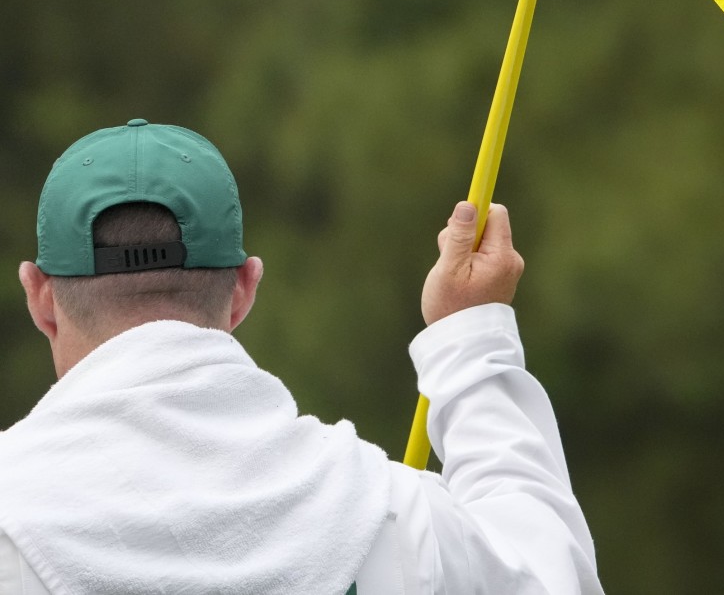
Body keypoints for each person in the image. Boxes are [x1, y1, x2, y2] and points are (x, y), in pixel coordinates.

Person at [0, 119, 603, 594]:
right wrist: (469, 336)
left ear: (39, 297)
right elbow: (552, 575)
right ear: (244, 288)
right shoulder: (389, 511)